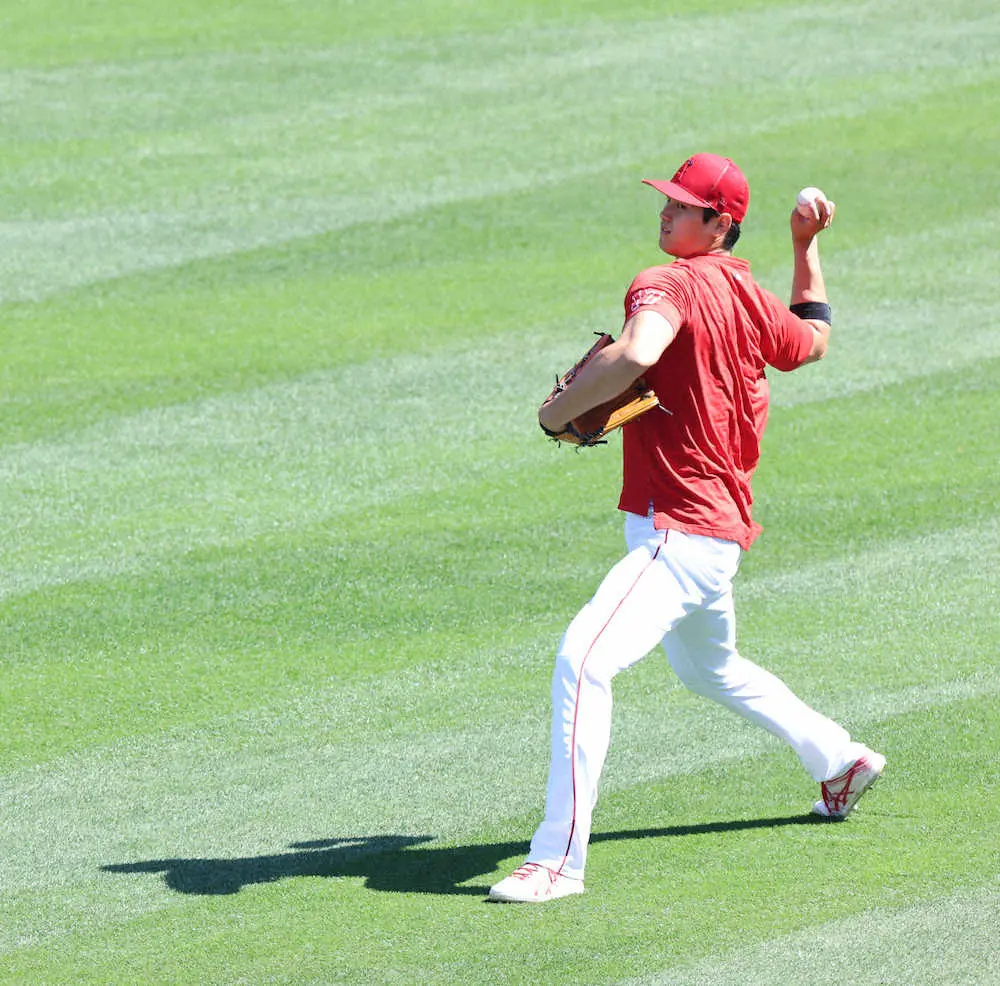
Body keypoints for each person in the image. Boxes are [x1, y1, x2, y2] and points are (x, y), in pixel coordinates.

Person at [488, 153, 885, 904]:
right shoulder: (744, 289)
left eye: (684, 206)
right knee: (711, 669)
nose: (666, 213)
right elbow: (813, 338)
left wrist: (557, 411)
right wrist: (806, 249)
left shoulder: (662, 281)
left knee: (582, 662)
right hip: (717, 529)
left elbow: (640, 350)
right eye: (667, 201)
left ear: (721, 223)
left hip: (680, 530)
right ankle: (839, 759)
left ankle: (557, 861)